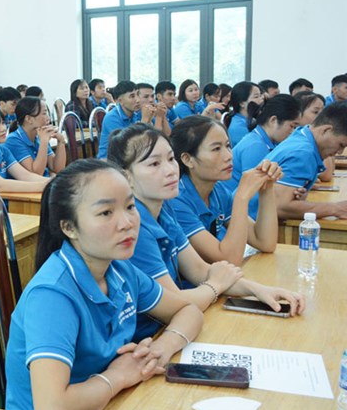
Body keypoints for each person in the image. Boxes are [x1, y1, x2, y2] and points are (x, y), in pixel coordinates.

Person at [5, 159, 203, 410]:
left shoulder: (119, 268)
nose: (127, 223)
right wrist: (119, 375)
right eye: (106, 212)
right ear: (69, 227)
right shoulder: (52, 296)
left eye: (131, 207)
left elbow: (189, 311)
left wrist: (160, 350)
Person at [107, 124, 303, 341]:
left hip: (179, 323)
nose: (171, 170)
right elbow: (173, 302)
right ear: (125, 176)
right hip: (147, 339)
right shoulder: (134, 227)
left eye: (171, 159)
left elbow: (200, 270)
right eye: (154, 163)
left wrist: (258, 290)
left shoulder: (164, 208)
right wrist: (216, 285)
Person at [168, 116, 281, 264]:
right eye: (216, 149)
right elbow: (229, 258)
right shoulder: (176, 200)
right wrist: (242, 197)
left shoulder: (218, 191)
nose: (229, 156)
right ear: (188, 159)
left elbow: (265, 242)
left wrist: (267, 187)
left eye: (228, 146)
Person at [266, 101, 347, 220]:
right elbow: (279, 207)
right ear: (326, 130)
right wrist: (335, 208)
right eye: (341, 144)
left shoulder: (302, 135)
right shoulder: (304, 153)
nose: (340, 151)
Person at [225, 94, 302, 217]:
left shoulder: (266, 142)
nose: (293, 132)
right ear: (273, 120)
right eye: (292, 126)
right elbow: (254, 192)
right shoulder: (256, 146)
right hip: (234, 214)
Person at [5, 96, 66, 177]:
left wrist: (61, 141)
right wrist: (44, 142)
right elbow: (36, 173)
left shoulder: (39, 135)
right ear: (29, 119)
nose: (48, 118)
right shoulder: (13, 140)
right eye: (44, 113)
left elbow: (57, 169)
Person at [96, 80, 144, 159]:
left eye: (138, 94)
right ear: (120, 101)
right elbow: (126, 146)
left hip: (128, 159)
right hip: (109, 162)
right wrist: (145, 120)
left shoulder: (136, 114)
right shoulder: (111, 118)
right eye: (132, 96)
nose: (138, 100)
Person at [224, 81, 264, 147]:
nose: (261, 100)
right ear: (242, 103)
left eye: (260, 96)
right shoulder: (238, 127)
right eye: (256, 97)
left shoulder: (250, 120)